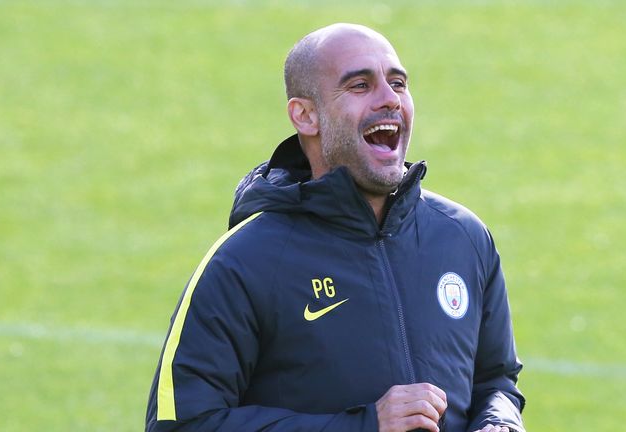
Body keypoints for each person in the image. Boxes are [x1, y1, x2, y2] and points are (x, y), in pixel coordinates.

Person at [145, 23, 525, 432]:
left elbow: (495, 379)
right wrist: (365, 425)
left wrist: (499, 421)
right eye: (360, 86)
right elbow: (184, 424)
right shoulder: (244, 262)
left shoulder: (463, 238)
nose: (390, 100)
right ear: (305, 115)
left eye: (398, 83)